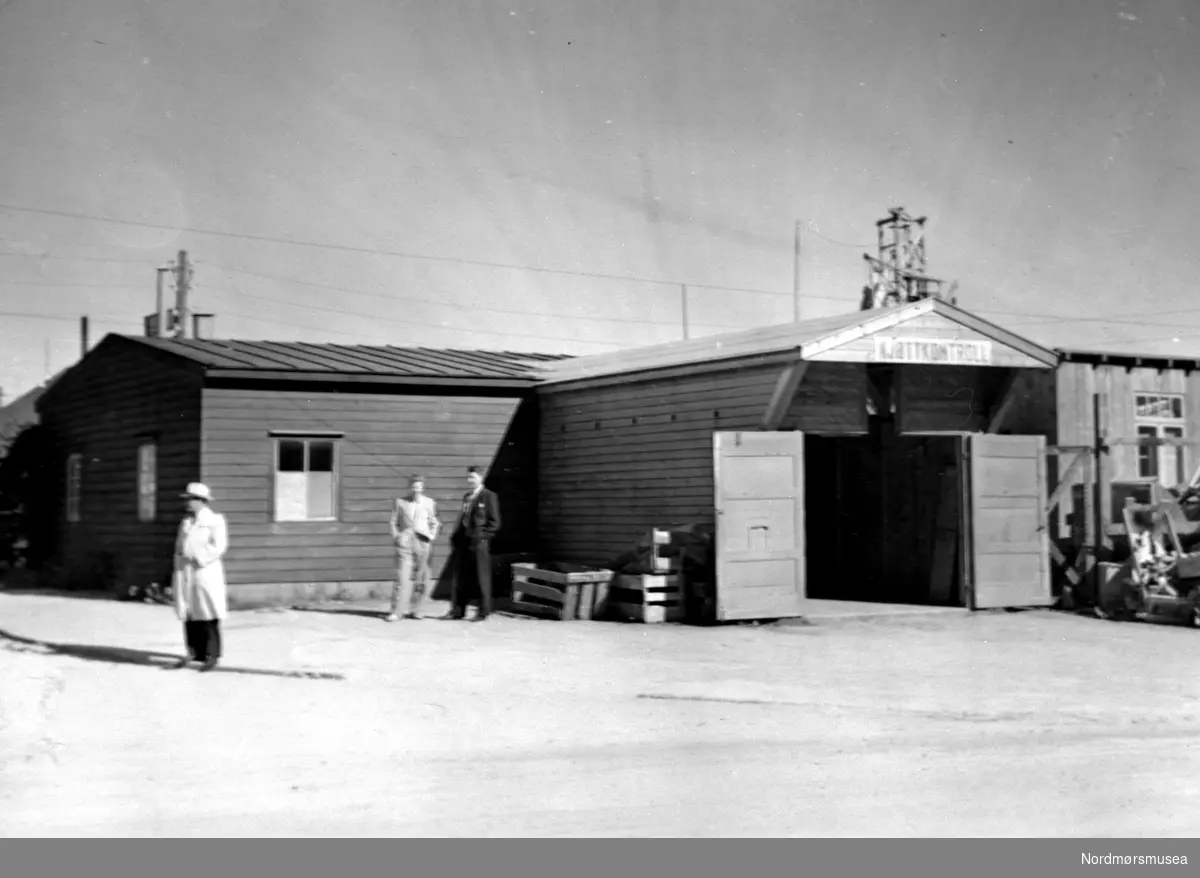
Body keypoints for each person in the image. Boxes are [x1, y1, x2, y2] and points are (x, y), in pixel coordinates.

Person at [168, 482, 229, 672]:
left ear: (201, 501)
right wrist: (179, 562)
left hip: (205, 572)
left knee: (208, 612)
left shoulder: (215, 521)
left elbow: (219, 547)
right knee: (190, 612)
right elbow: (179, 546)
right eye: (187, 500)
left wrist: (198, 556)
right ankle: (194, 651)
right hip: (186, 572)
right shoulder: (186, 522)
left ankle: (212, 654)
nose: (187, 504)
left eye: (191, 500)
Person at [447, 465, 501, 622]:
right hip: (464, 541)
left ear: (481, 478)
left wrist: (483, 537)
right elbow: (464, 518)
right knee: (462, 576)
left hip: (479, 542)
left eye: (473, 477)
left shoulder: (488, 496)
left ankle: (483, 611)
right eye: (469, 477)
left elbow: (494, 522)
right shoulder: (467, 497)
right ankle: (458, 610)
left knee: (481, 576)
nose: (470, 480)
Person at [386, 474, 441, 621]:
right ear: (410, 487)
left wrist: (430, 537)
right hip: (405, 542)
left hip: (422, 543)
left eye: (418, 486)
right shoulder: (400, 502)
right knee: (402, 577)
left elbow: (434, 522)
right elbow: (393, 522)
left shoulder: (429, 503)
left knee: (421, 577)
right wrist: (397, 537)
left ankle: (417, 610)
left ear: (422, 487)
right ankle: (397, 611)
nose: (416, 488)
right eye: (413, 486)